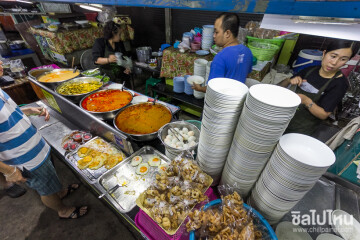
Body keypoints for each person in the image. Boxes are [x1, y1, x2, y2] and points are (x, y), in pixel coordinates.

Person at [0, 61, 88, 219]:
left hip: (36, 145)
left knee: (51, 179)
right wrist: (9, 171)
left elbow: (7, 113)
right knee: (46, 190)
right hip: (26, 158)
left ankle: (59, 192)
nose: (0, 62)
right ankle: (63, 211)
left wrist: (28, 110)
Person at [279, 40, 357, 136]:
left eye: (343, 59)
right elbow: (279, 88)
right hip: (283, 119)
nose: (334, 62)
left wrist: (306, 100)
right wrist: (288, 81)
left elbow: (323, 115)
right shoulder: (310, 70)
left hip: (301, 130)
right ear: (324, 53)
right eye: (333, 56)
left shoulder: (339, 84)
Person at [192, 13, 253, 92]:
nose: (214, 35)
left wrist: (199, 88)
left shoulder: (220, 57)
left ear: (227, 33)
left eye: (216, 32)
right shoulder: (247, 52)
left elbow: (212, 89)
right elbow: (246, 75)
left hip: (222, 102)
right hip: (239, 100)